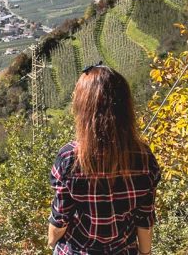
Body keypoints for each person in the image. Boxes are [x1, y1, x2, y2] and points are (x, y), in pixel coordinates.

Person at [47, 62, 161, 254]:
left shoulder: (70, 158)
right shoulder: (144, 157)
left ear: (84, 108)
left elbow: (60, 220)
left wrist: (51, 242)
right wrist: (145, 252)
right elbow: (145, 218)